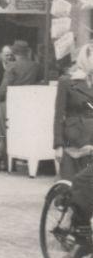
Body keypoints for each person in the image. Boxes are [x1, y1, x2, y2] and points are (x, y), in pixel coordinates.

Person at [0, 42, 44, 172]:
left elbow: (4, 89)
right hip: (26, 105)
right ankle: (5, 160)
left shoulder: (11, 67)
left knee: (4, 133)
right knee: (17, 133)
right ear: (27, 52)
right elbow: (40, 82)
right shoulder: (36, 66)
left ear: (15, 53)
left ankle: (1, 158)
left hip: (8, 104)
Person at [54, 43, 93, 182]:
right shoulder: (67, 81)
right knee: (71, 184)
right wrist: (58, 145)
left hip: (91, 139)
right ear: (85, 59)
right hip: (73, 140)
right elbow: (58, 115)